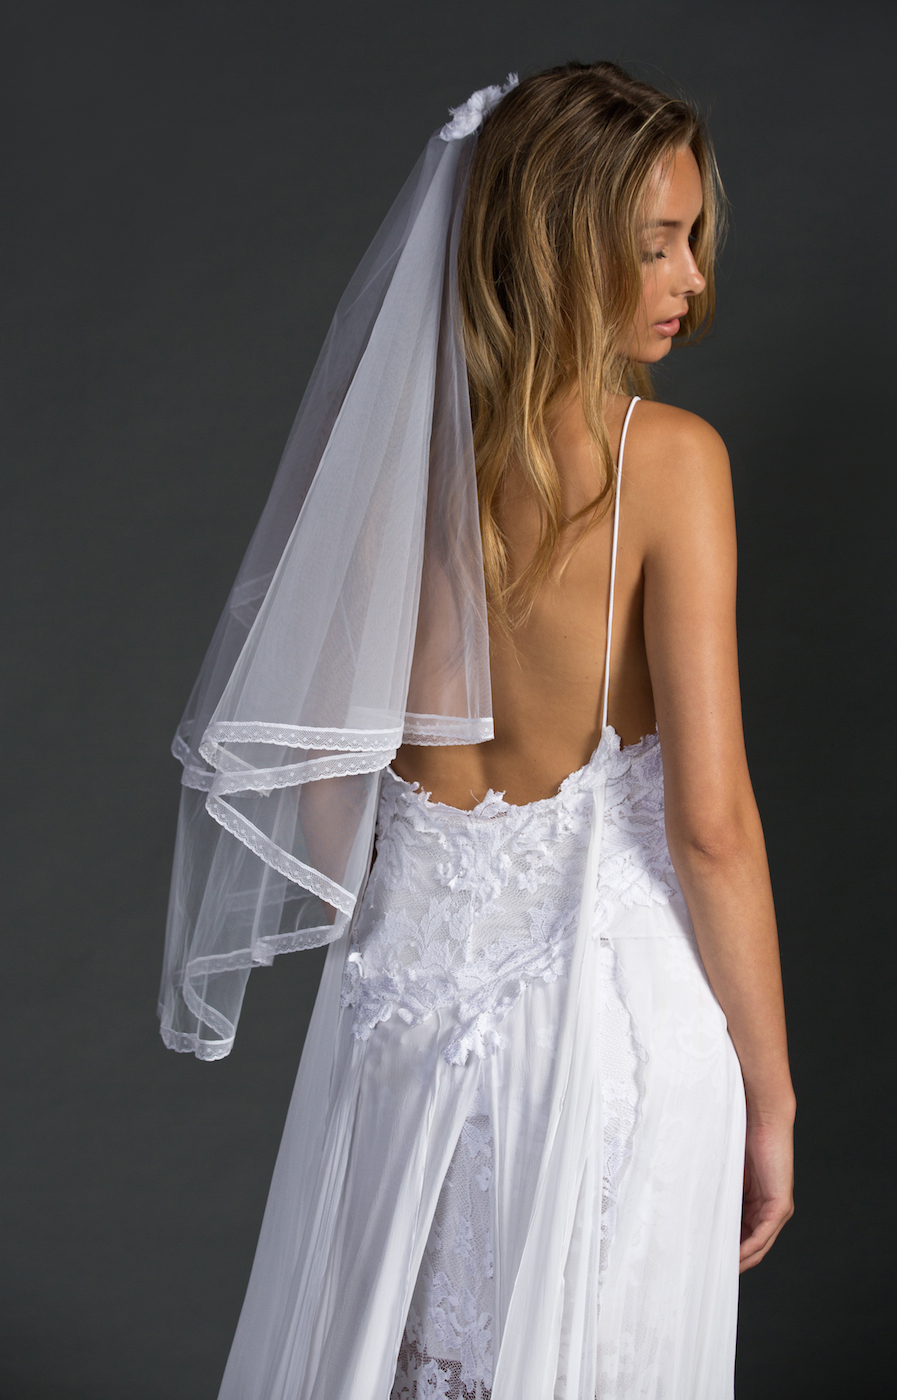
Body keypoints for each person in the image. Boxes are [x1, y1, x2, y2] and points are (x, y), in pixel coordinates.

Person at [160, 61, 795, 1400]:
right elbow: (711, 826)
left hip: (393, 1028)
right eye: (656, 244)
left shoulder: (383, 470)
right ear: (560, 248)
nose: (690, 281)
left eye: (692, 240)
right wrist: (772, 1092)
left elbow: (331, 810)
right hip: (608, 1031)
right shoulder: (670, 464)